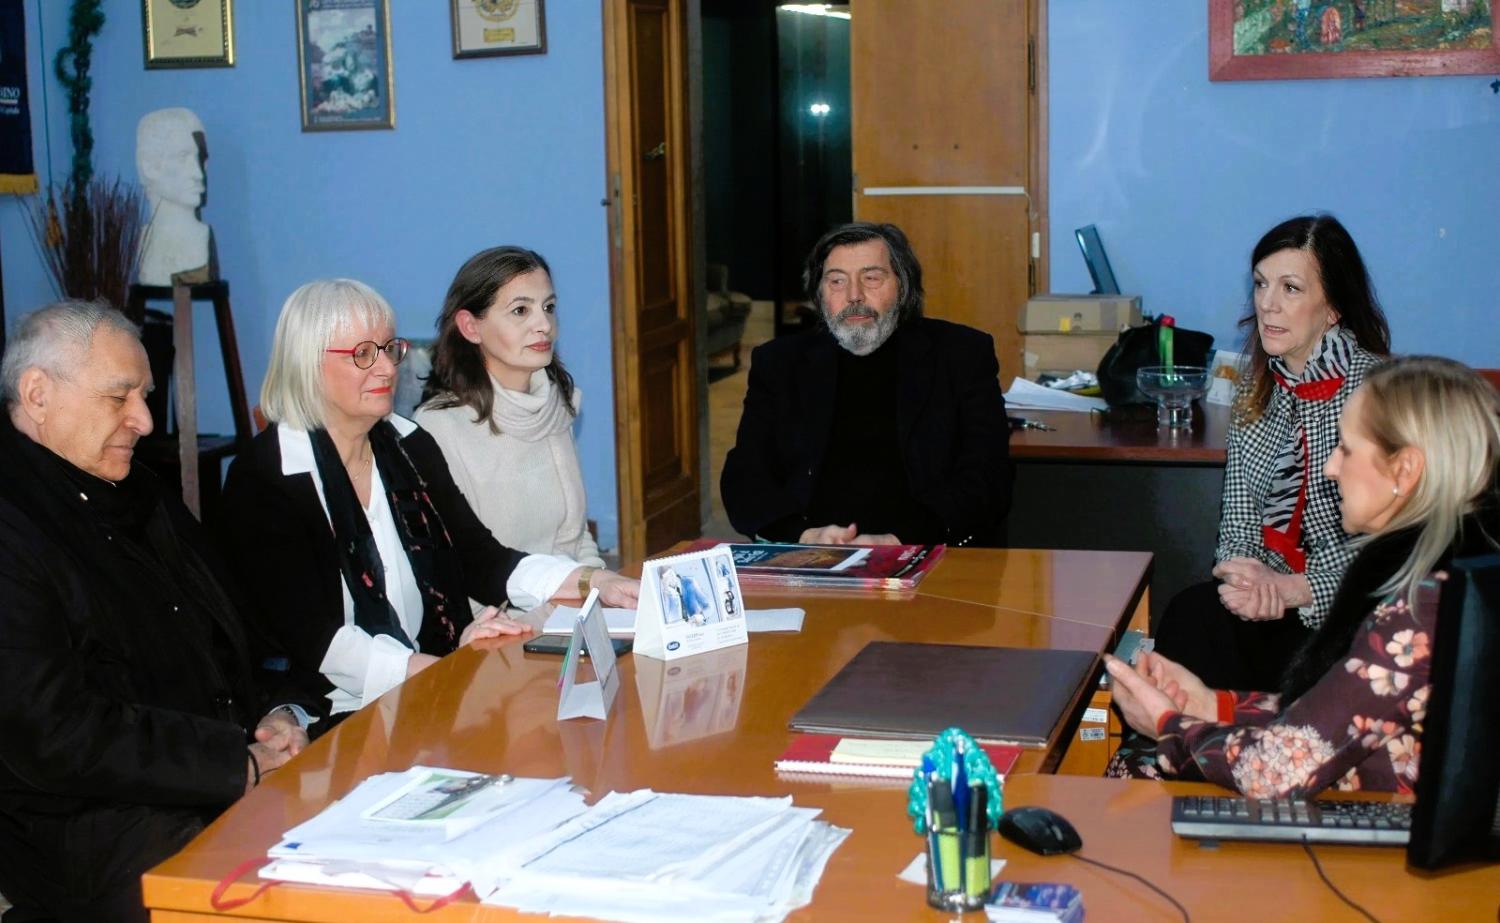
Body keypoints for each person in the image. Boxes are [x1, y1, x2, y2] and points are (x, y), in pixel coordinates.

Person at [0, 301, 312, 922]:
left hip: (211, 776)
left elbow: (235, 629)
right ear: (38, 395)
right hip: (88, 828)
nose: (143, 420)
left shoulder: (139, 489)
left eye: (144, 396)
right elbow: (53, 733)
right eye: (119, 396)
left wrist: (275, 711)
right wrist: (233, 765)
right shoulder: (12, 523)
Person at [218, 279, 639, 725]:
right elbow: (313, 638)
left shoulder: (408, 444)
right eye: (363, 354)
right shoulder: (266, 475)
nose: (386, 368)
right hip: (327, 708)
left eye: (389, 349)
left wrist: (592, 581)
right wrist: (440, 674)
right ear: (307, 364)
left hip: (430, 676)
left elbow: (480, 557)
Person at [1106, 357, 1500, 797]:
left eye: (1346, 449)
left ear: (1404, 470)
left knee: (1139, 765)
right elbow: (1337, 715)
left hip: (1380, 825)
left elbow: (1279, 768)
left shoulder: (1419, 607)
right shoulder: (1461, 577)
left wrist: (1169, 725)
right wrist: (1212, 704)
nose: (1331, 468)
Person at [1153, 215, 1391, 691]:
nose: (1267, 304)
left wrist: (1297, 590)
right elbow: (1238, 522)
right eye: (1261, 284)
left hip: (1351, 610)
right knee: (1190, 614)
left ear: (1333, 308)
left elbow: (1391, 554)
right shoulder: (1256, 390)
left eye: (1291, 289)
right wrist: (1246, 582)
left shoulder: (1379, 393)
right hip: (1274, 601)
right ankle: (1188, 735)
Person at [720, 221, 1011, 546]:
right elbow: (745, 475)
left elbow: (988, 475)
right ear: (819, 293)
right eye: (837, 281)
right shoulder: (779, 362)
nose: (854, 295)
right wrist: (802, 536)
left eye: (871, 278)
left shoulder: (961, 355)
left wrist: (902, 539)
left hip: (927, 548)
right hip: (810, 552)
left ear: (903, 286)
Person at [414, 246, 604, 570]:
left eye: (549, 307)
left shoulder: (555, 405)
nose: (544, 324)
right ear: (470, 327)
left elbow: (575, 536)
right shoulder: (439, 427)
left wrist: (595, 583)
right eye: (520, 311)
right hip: (496, 600)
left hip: (567, 591)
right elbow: (462, 565)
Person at [136, 107, 216, 285]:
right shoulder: (145, 243)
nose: (198, 174)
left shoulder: (201, 240)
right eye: (182, 157)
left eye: (201, 160)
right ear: (149, 166)